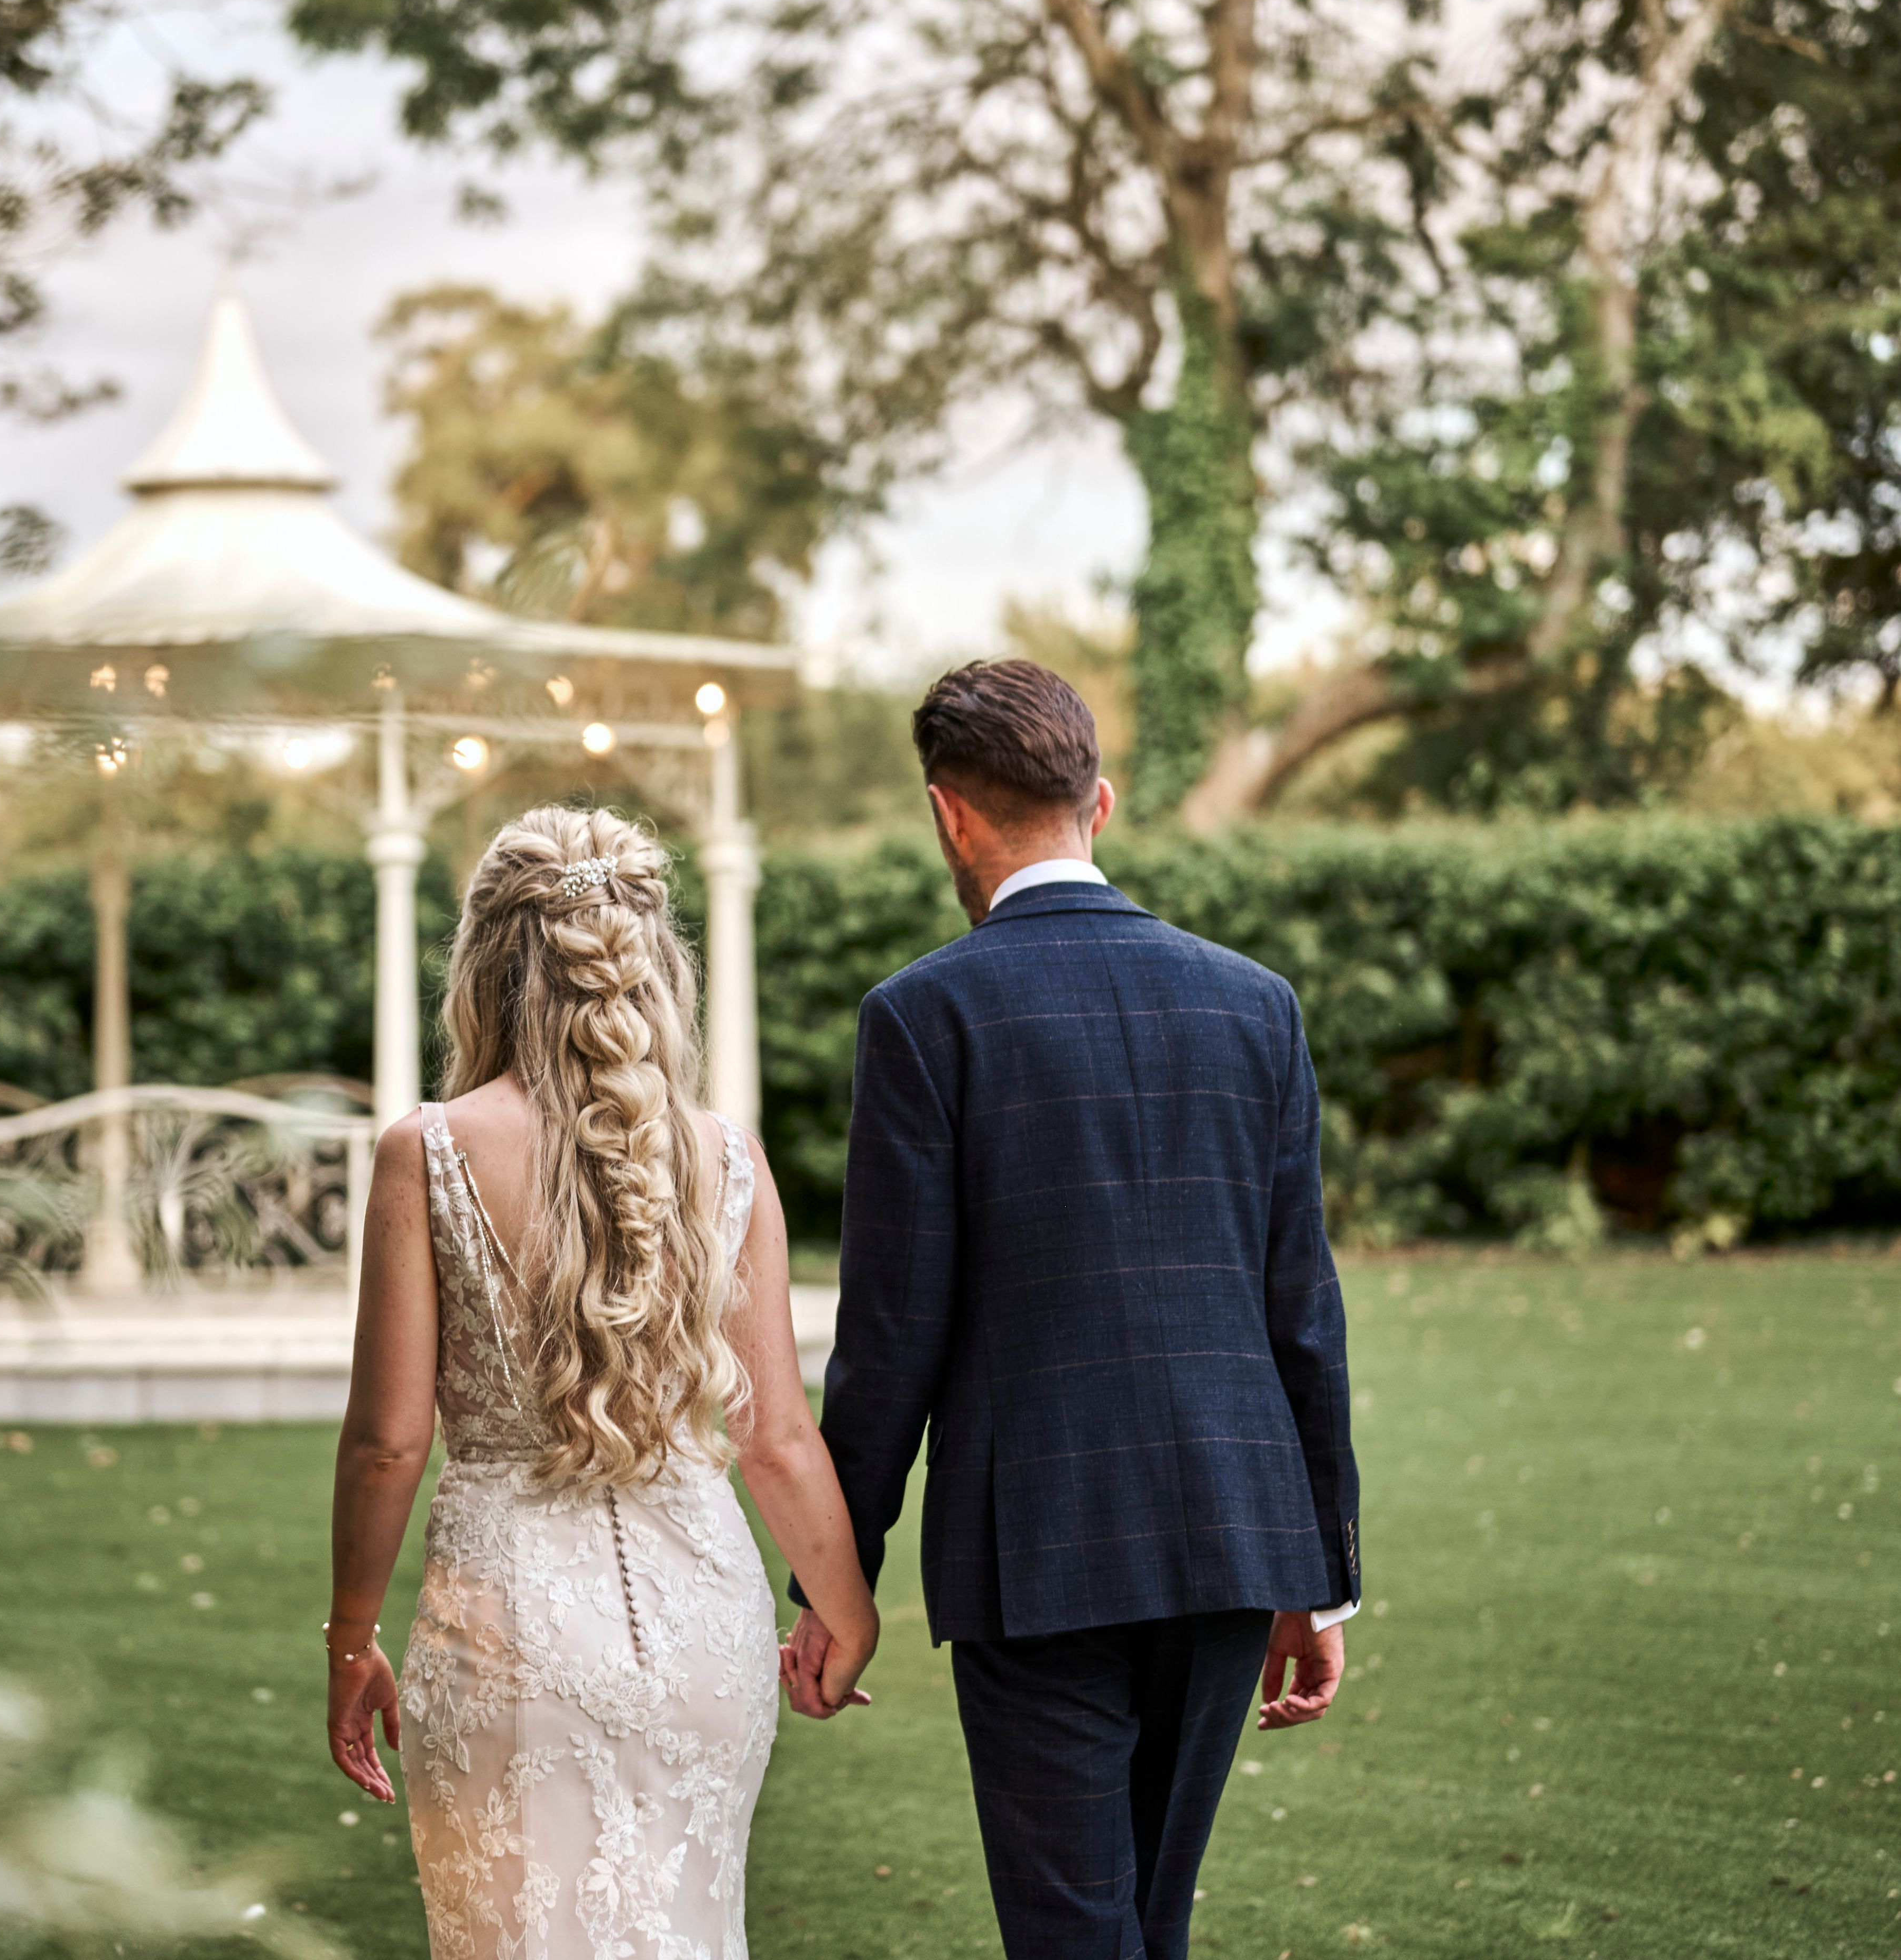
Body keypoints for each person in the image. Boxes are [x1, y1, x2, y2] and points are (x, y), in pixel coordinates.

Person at [782, 659, 1362, 1960]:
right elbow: (1302, 1315)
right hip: (1230, 1531)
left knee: (1071, 1932)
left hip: (1033, 1550)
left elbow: (889, 1339)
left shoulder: (922, 1018)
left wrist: (838, 1574)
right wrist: (1318, 1579)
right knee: (1147, 1923)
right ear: (1096, 802)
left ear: (950, 817)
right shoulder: (1255, 1004)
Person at [324, 805, 880, 1958]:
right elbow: (775, 1433)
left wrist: (350, 1636)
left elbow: (388, 1438)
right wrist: (844, 1610)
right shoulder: (725, 1156)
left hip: (506, 1628)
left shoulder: (426, 1150)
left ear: (482, 967)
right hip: (704, 1629)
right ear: (649, 963)